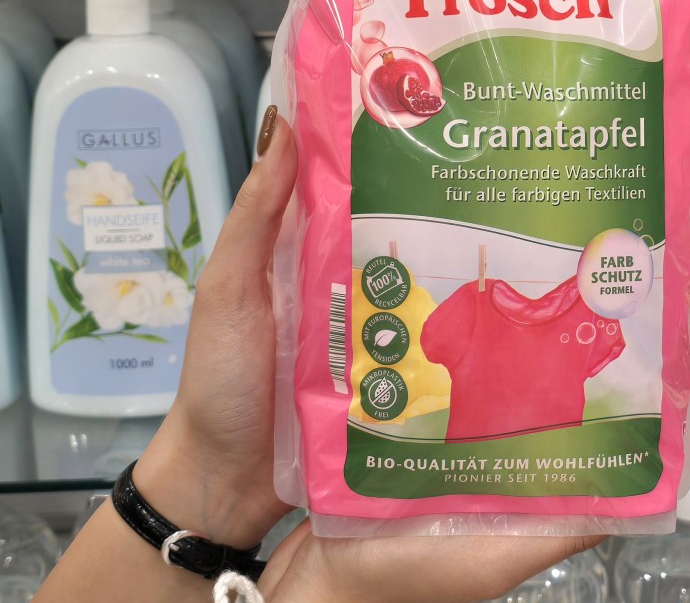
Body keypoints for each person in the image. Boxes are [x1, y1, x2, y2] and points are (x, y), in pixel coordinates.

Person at [36, 107, 600, 603]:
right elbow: (431, 345)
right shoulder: (474, 304)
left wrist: (214, 477)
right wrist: (331, 586)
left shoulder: (576, 311)